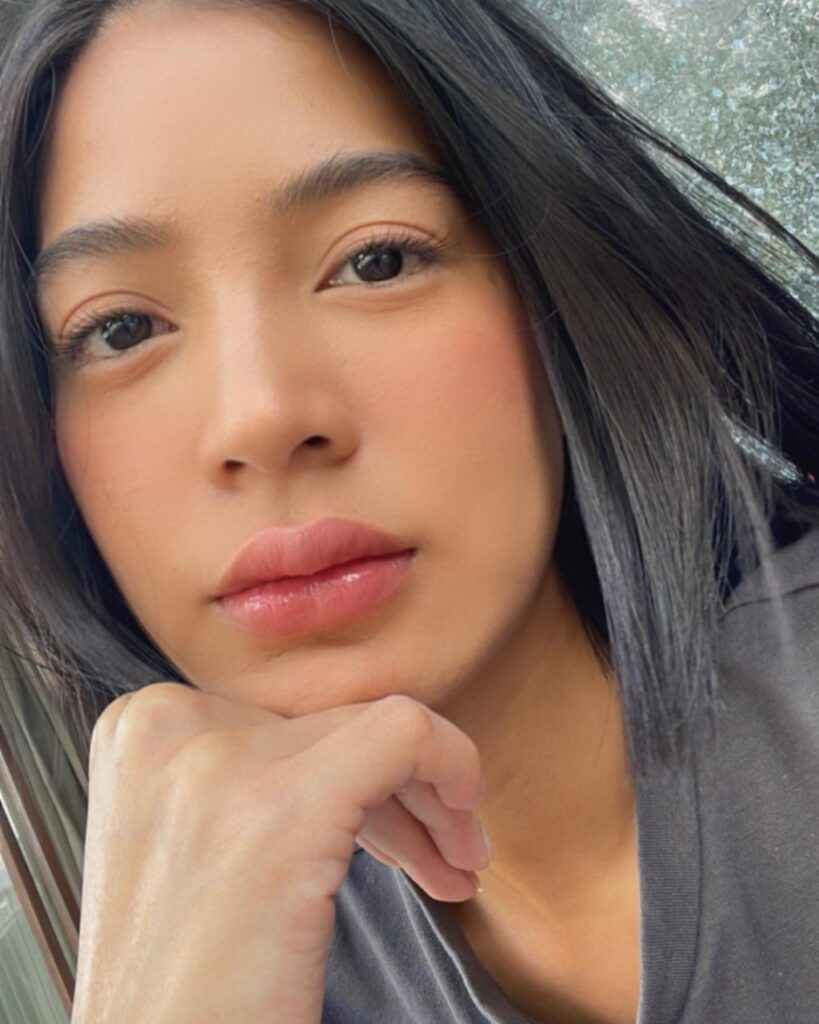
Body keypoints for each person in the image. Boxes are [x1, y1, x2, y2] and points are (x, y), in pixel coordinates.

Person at [0, 0, 816, 1021]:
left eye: (376, 260)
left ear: (551, 292)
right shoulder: (231, 949)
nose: (261, 416)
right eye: (121, 328)